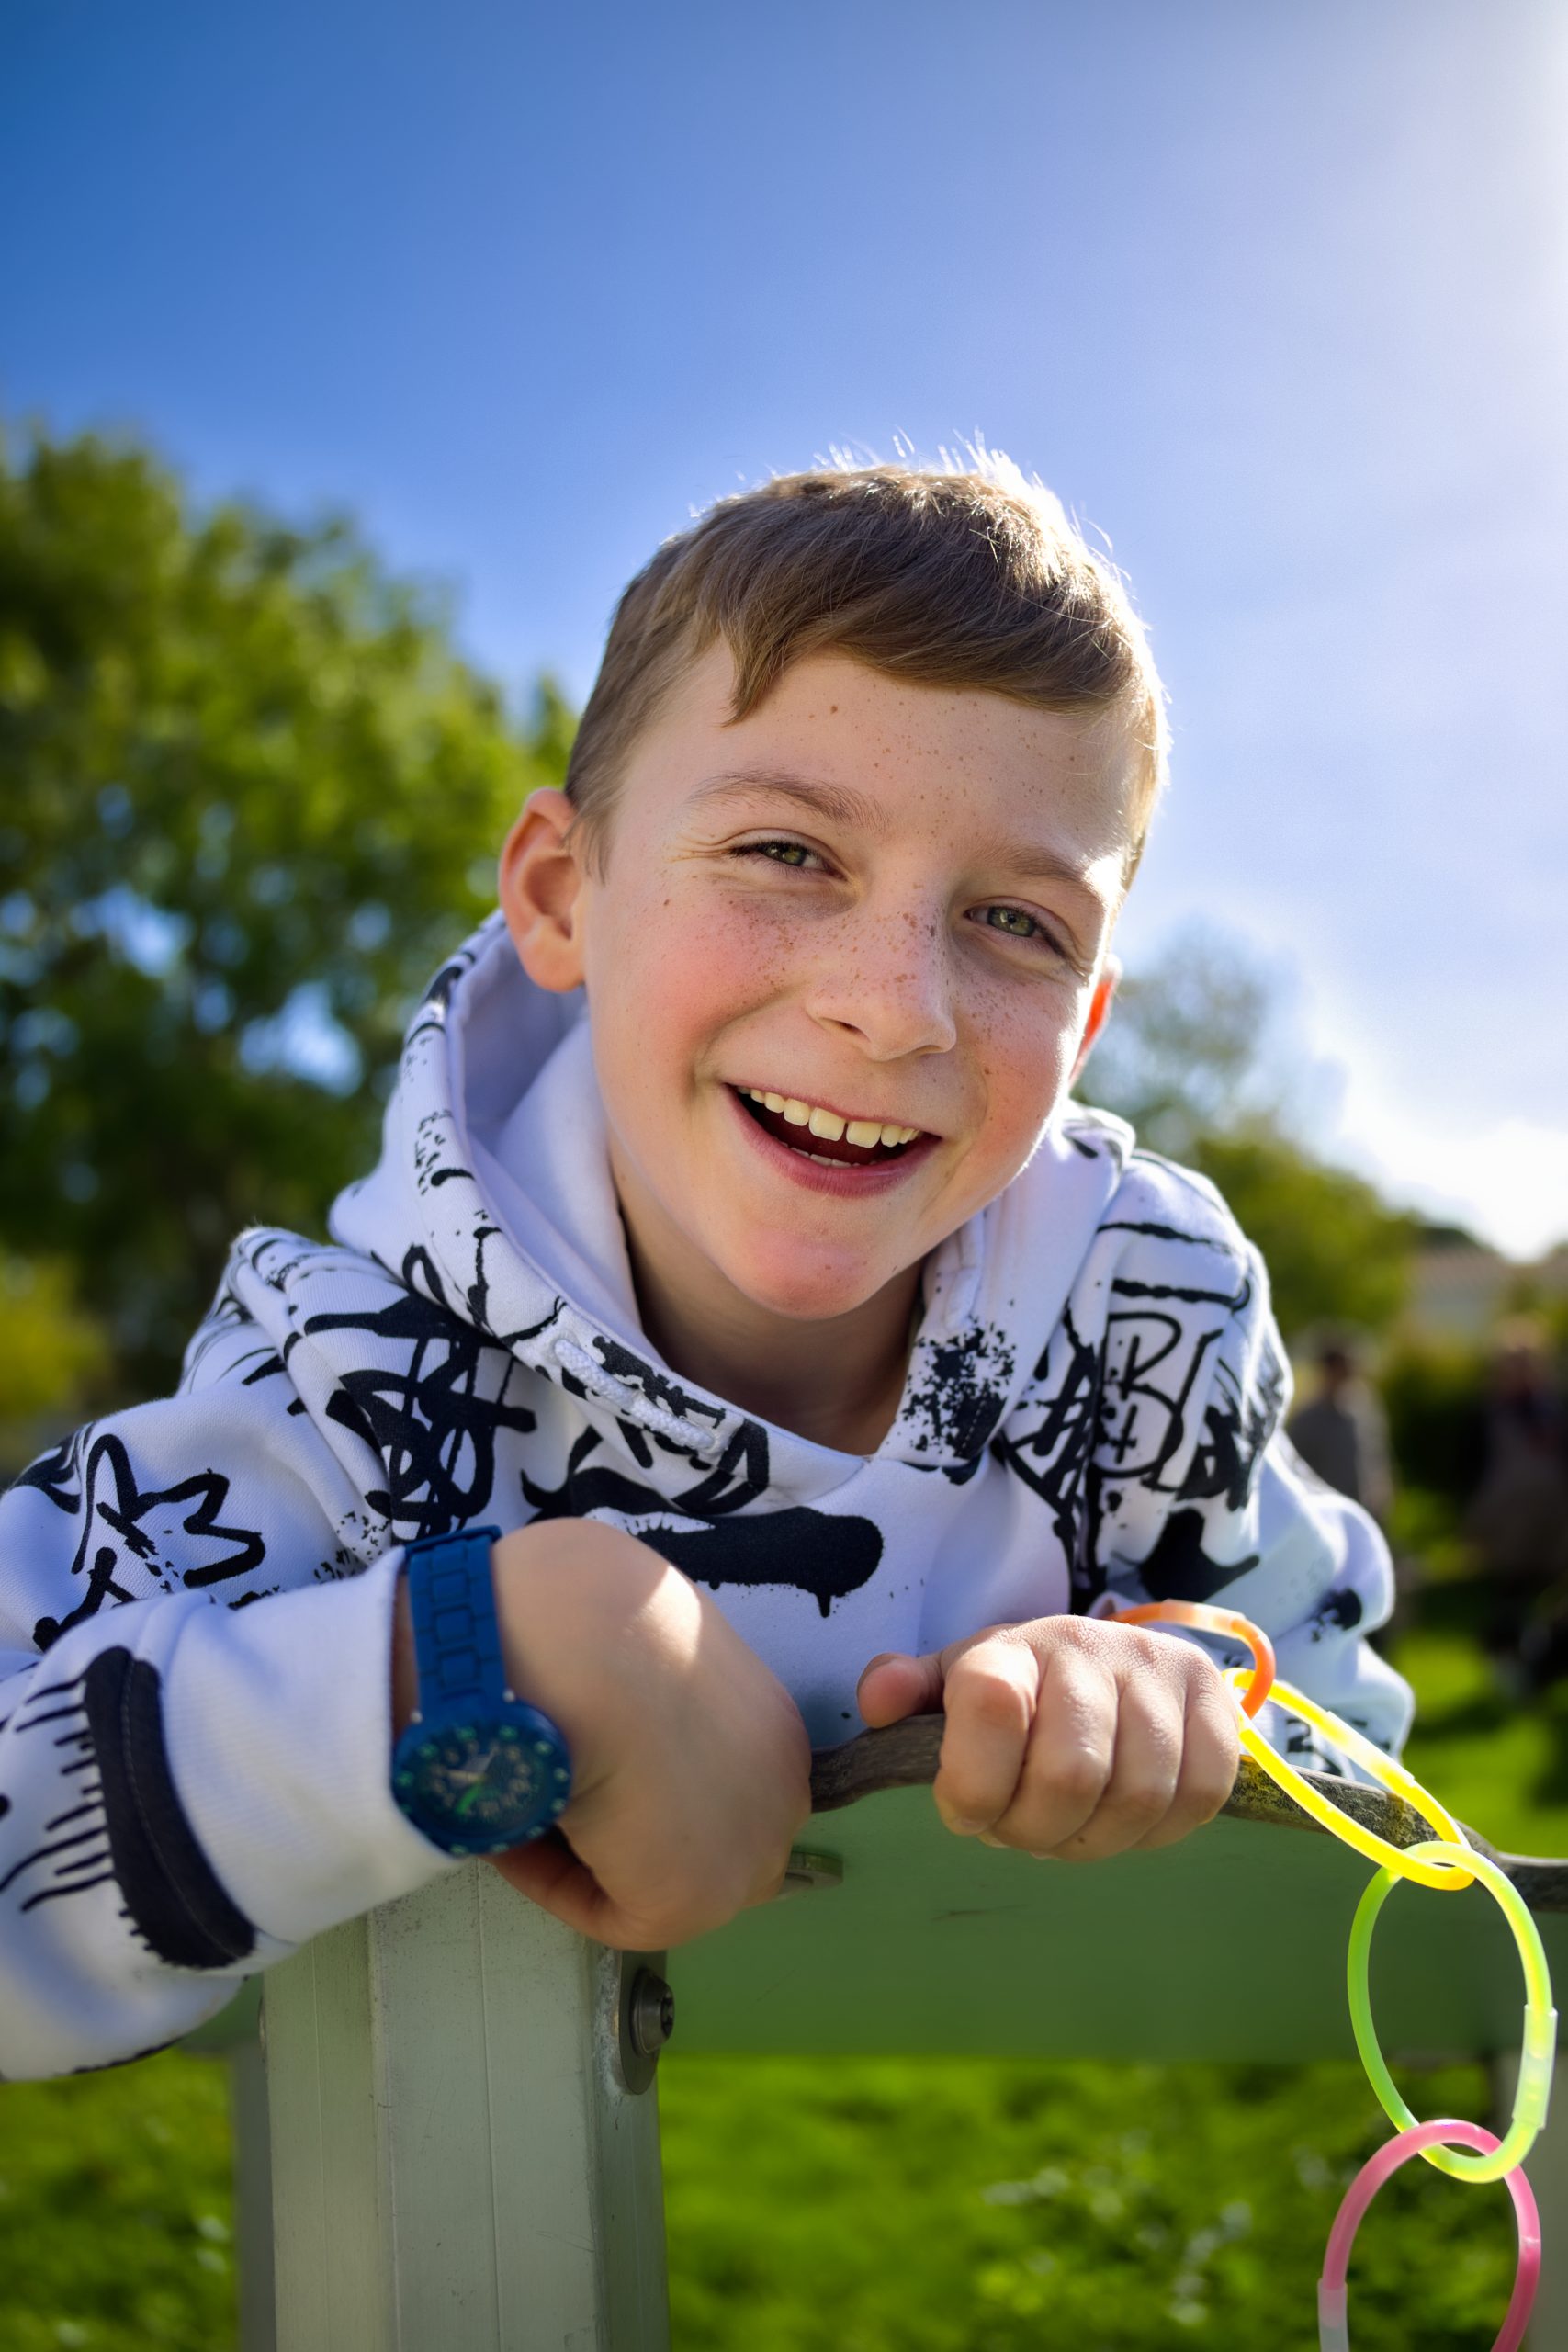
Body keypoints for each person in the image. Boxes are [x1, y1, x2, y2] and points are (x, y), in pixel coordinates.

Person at [0, 459, 1411, 2077]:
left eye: (1017, 923)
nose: (895, 1008)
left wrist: (1179, 1703)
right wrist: (474, 1661)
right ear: (561, 895)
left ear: (1085, 1025)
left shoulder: (1142, 1316)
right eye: (785, 852)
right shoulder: (340, 1387)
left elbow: (1367, 1757)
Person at [1286, 1337, 1394, 1524]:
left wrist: (1382, 1492)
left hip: (1365, 1512)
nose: (1348, 1376)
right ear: (1327, 1370)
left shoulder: (1363, 1410)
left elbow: (1376, 1456)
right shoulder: (1306, 1420)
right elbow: (1294, 1470)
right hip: (1325, 1517)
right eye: (1342, 1369)